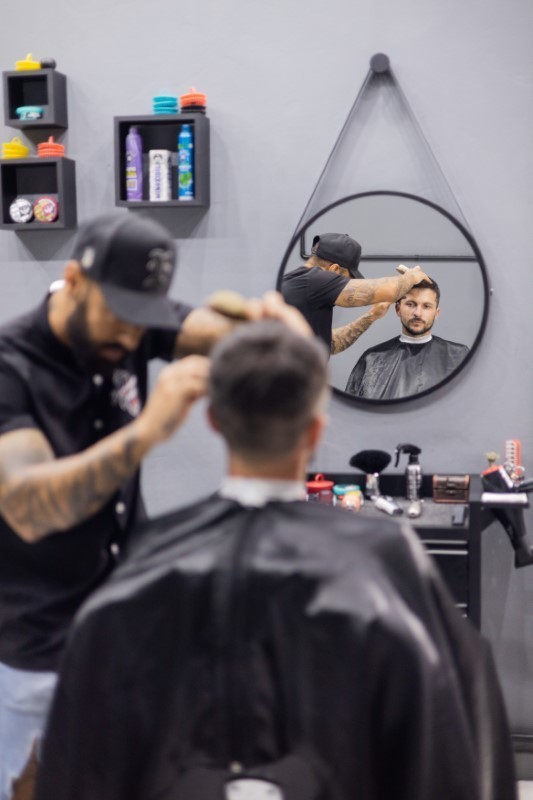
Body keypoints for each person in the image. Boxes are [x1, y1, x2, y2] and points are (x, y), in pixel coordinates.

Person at [37, 321, 516, 800]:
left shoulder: (143, 567)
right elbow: (457, 745)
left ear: (214, 421)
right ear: (315, 429)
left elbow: (83, 763)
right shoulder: (389, 568)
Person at [0, 212, 297, 799]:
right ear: (73, 281)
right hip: (29, 645)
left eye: (145, 322)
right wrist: (148, 432)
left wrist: (265, 328)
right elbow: (31, 509)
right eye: (121, 319)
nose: (133, 340)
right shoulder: (12, 368)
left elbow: (202, 327)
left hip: (112, 626)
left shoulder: (125, 323)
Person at [281, 231, 431, 355]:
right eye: (346, 279)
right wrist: (412, 276)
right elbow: (389, 289)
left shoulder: (303, 285)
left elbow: (331, 344)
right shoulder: (316, 279)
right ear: (333, 270)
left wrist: (373, 315)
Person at [345, 278, 470, 399]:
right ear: (398, 309)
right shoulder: (372, 358)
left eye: (426, 306)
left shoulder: (458, 356)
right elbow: (352, 409)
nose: (417, 313)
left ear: (436, 313)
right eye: (410, 304)